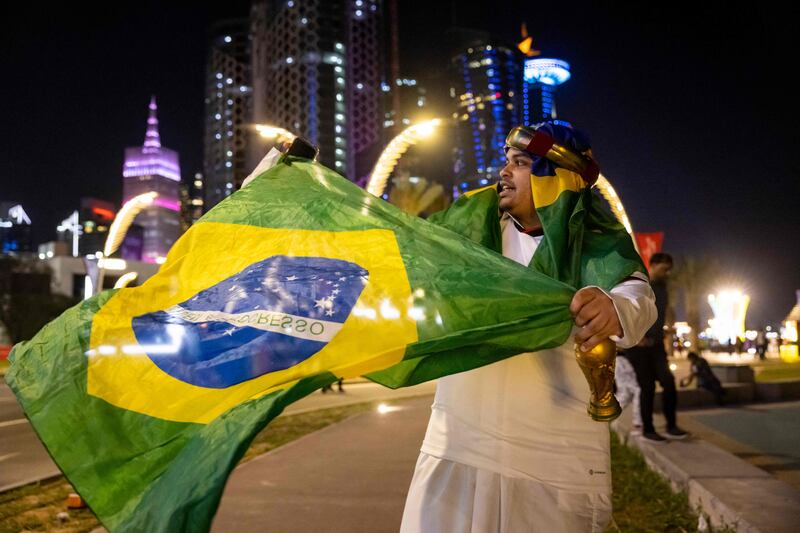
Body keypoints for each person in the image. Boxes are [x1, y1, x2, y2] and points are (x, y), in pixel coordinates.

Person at [400, 122, 656, 532]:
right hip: (459, 445)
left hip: (552, 462)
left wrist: (613, 307)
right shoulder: (468, 232)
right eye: (506, 161)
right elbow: (398, 247)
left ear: (556, 177)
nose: (503, 173)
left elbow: (637, 297)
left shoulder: (598, 241)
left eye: (519, 163)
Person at [624, 253, 689, 444]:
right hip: (638, 344)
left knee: (668, 382)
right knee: (647, 386)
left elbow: (663, 312)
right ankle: (648, 429)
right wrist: (638, 336)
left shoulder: (663, 287)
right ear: (652, 265)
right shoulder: (638, 283)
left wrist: (666, 330)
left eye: (669, 269)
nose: (667, 273)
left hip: (657, 343)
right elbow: (628, 311)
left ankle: (671, 426)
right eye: (664, 269)